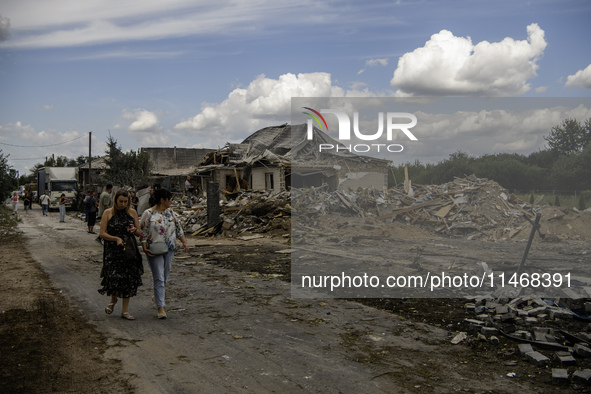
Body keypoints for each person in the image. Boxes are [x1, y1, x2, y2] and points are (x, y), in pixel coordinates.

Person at [140, 188, 189, 319]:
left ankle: (157, 296)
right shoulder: (148, 214)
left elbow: (178, 228)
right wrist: (144, 246)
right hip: (154, 249)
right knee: (159, 277)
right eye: (170, 199)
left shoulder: (171, 213)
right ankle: (160, 307)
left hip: (170, 248)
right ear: (163, 200)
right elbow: (143, 231)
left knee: (165, 276)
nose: (171, 201)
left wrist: (184, 242)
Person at [98, 189, 143, 320]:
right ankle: (113, 300)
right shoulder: (108, 213)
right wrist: (116, 238)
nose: (123, 204)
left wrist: (134, 230)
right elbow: (102, 233)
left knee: (128, 279)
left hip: (128, 249)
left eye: (125, 202)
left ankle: (125, 311)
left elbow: (139, 232)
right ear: (115, 201)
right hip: (112, 250)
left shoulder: (132, 212)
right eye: (120, 202)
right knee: (114, 277)